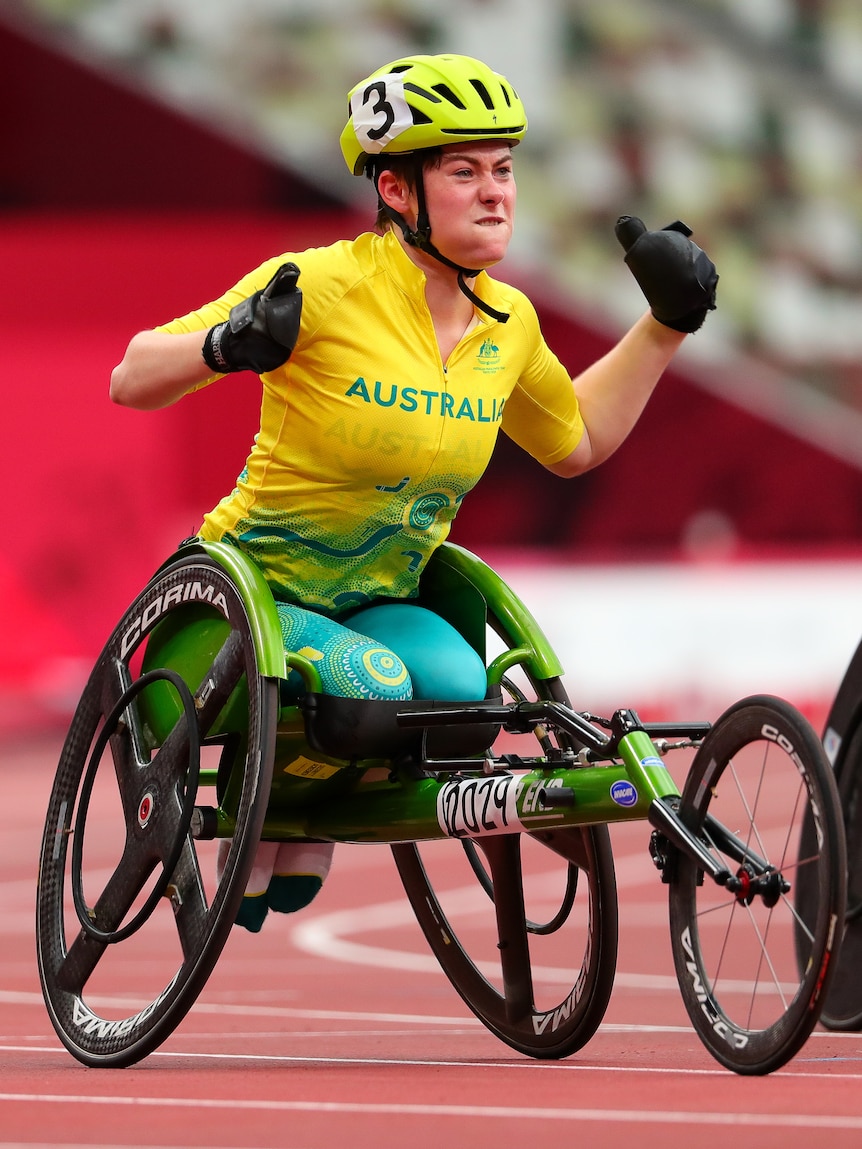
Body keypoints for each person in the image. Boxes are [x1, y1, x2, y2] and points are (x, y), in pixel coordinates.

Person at [111, 53, 717, 931]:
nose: (495, 192)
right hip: (231, 620)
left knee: (458, 691)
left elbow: (577, 440)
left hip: (374, 603)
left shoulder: (508, 325)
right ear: (397, 191)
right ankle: (274, 792)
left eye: (503, 169)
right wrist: (228, 342)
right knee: (382, 681)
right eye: (464, 172)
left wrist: (663, 326)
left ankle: (302, 795)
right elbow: (131, 378)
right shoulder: (321, 284)